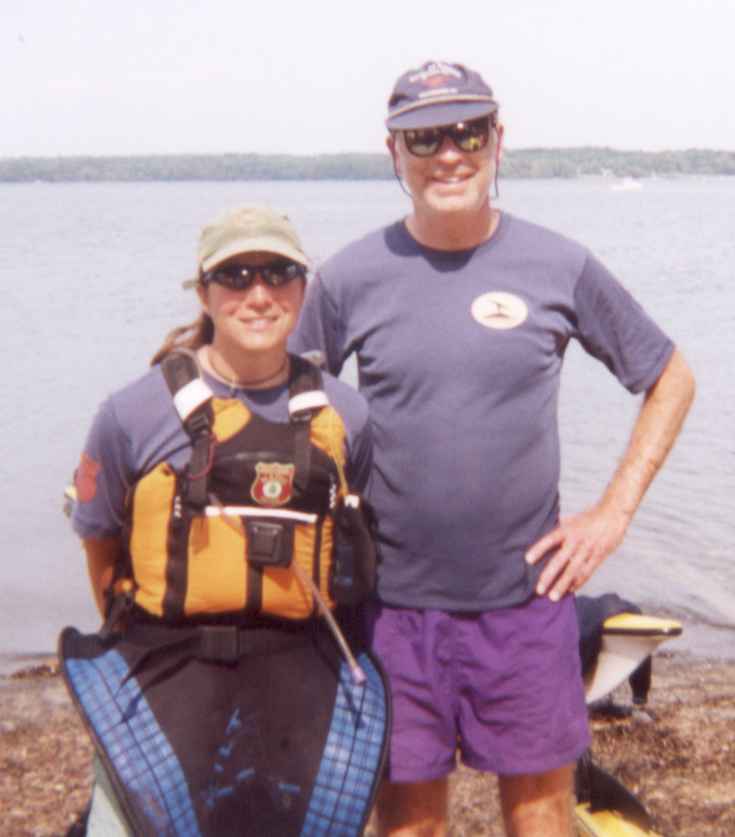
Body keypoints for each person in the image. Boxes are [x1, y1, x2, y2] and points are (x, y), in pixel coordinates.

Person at [290, 61, 696, 836]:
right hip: (391, 606)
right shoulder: (345, 279)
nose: (448, 153)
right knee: (409, 823)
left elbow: (670, 377)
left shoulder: (558, 264)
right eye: (423, 138)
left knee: (539, 814)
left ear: (497, 141)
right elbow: (282, 407)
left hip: (525, 601)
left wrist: (612, 514)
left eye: (466, 132)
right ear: (393, 152)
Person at [63, 205, 387, 835]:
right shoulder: (131, 414)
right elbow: (99, 543)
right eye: (236, 276)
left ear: (303, 287)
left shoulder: (347, 415)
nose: (258, 294)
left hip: (300, 672)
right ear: (204, 292)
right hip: (164, 666)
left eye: (278, 273)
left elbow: (356, 541)